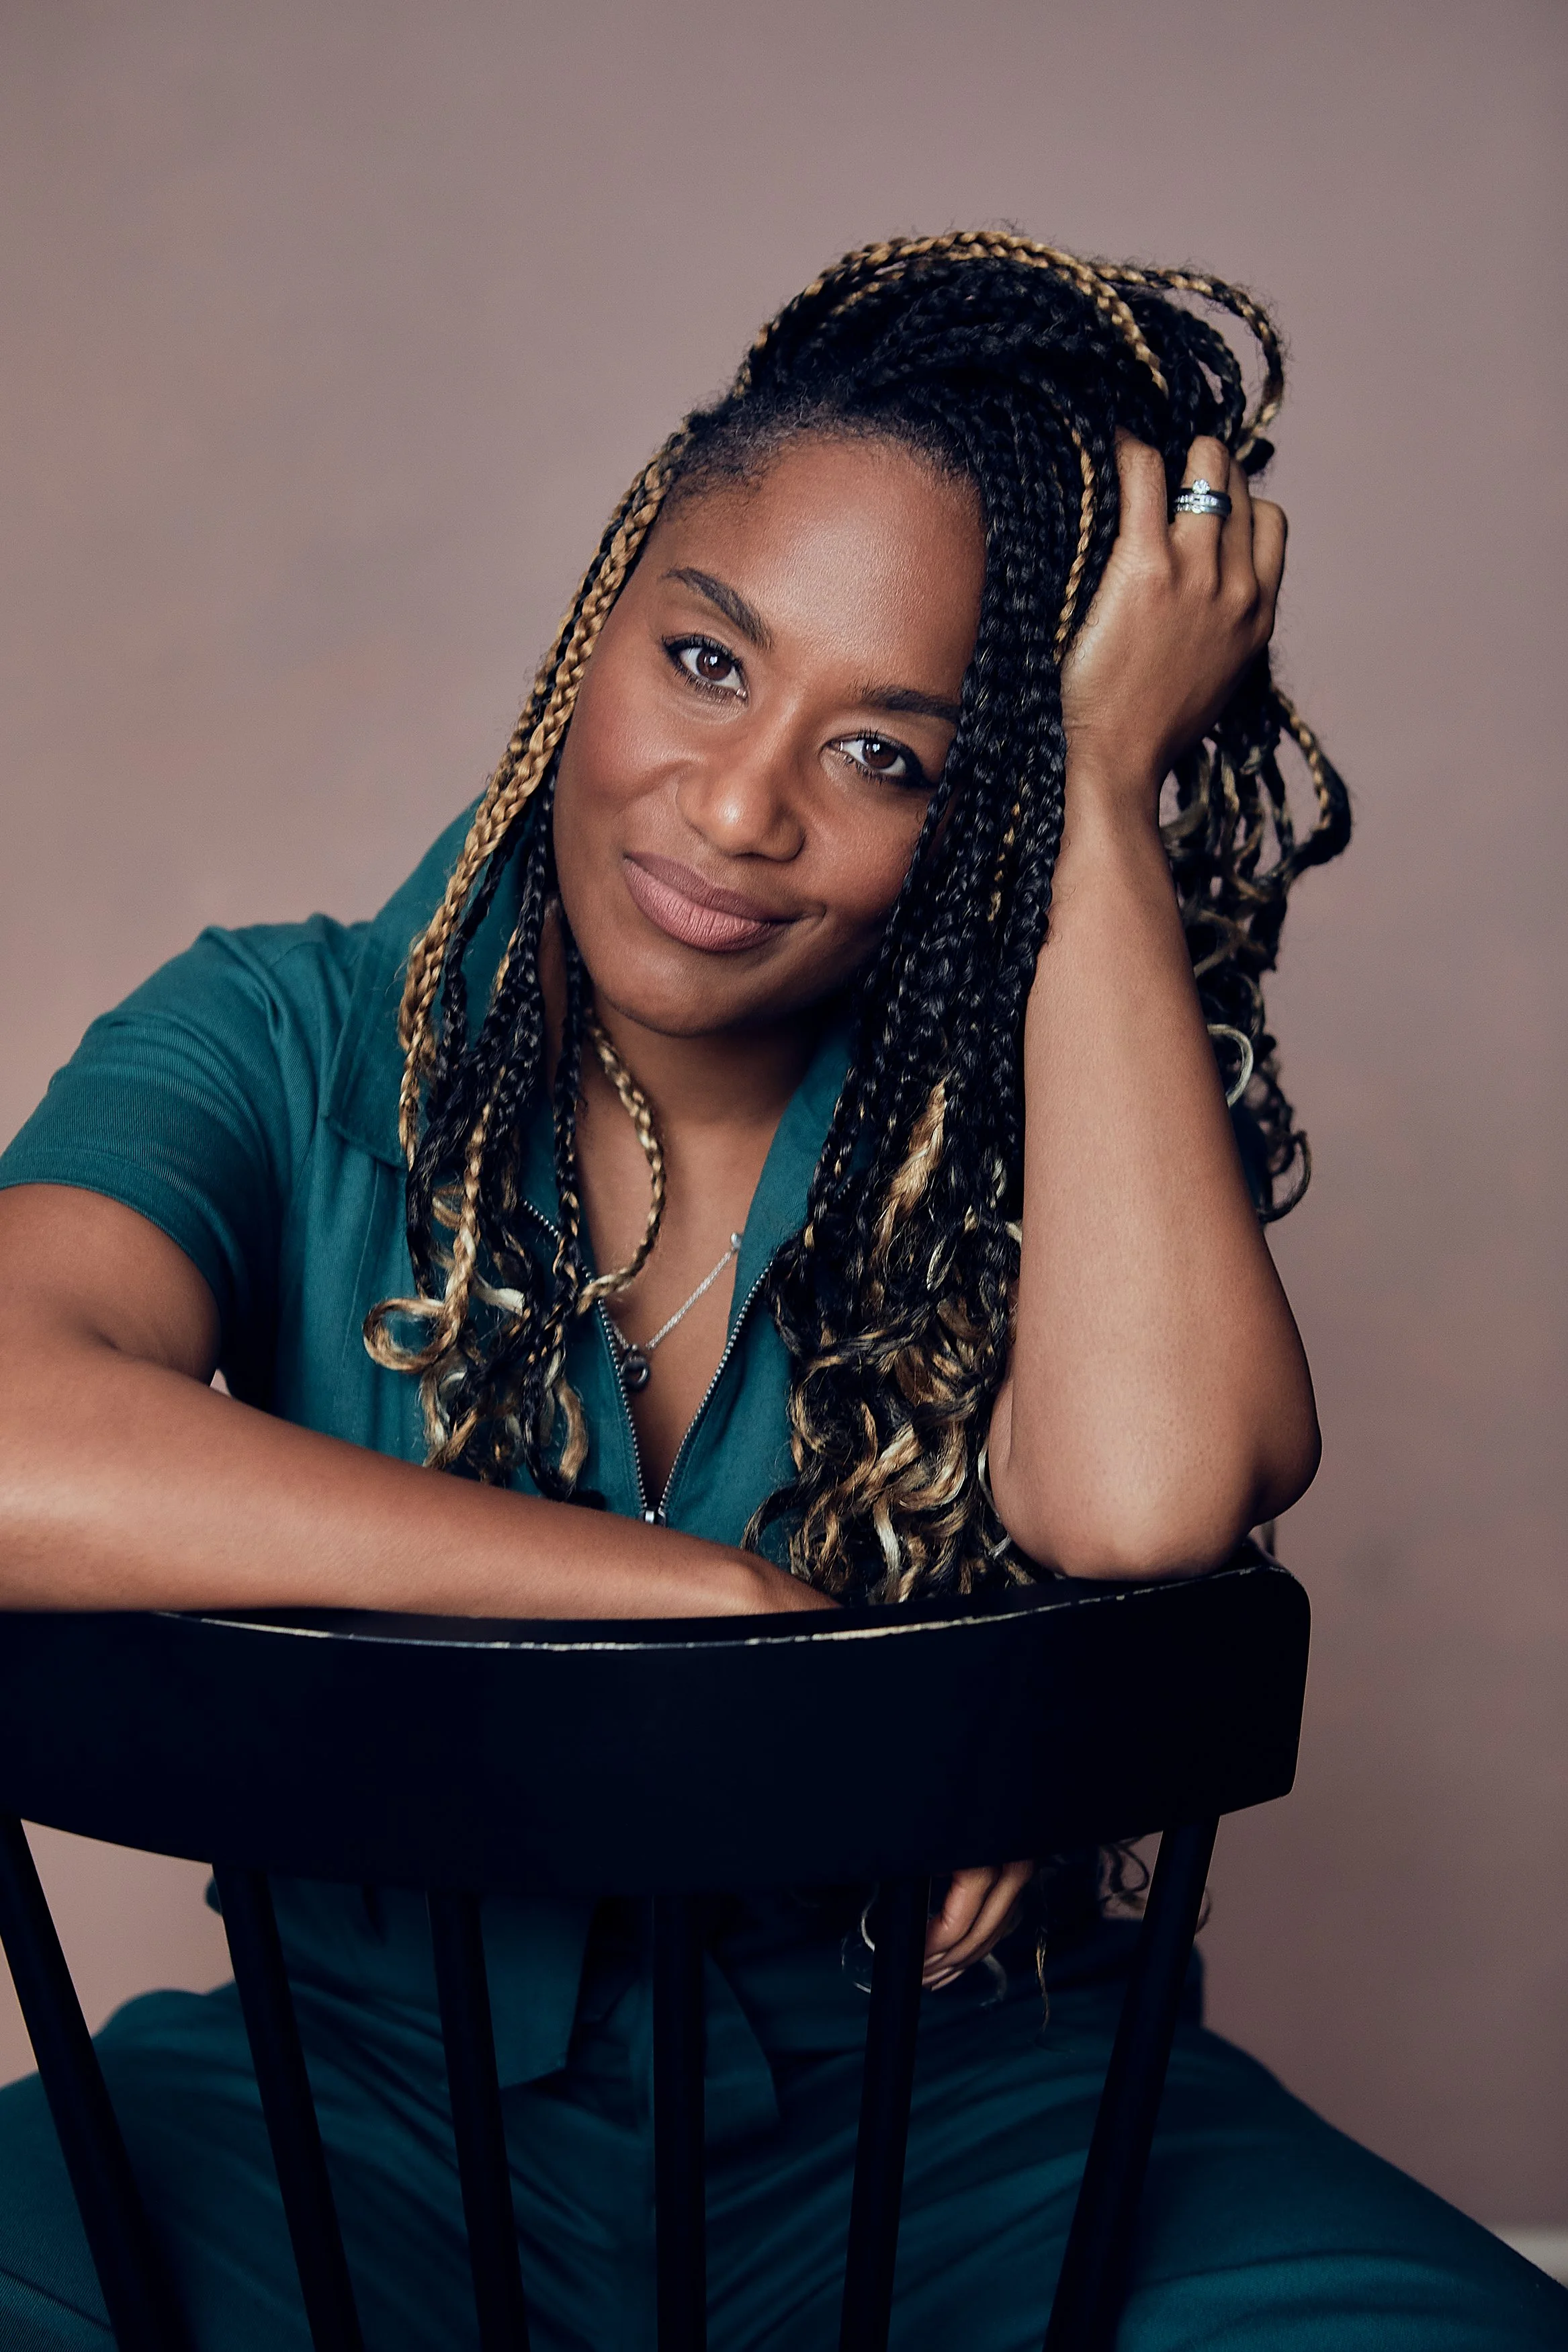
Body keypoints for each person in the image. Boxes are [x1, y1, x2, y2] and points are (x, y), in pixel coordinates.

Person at [0, 230, 1559, 2348]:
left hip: (963, 2112)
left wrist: (1095, 794)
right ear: (602, 616)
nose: (737, 810)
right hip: (345, 2108)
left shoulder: (1046, 1107)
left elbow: (1146, 1505)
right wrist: (719, 1614)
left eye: (892, 757)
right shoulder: (274, 1039)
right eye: (706, 660)